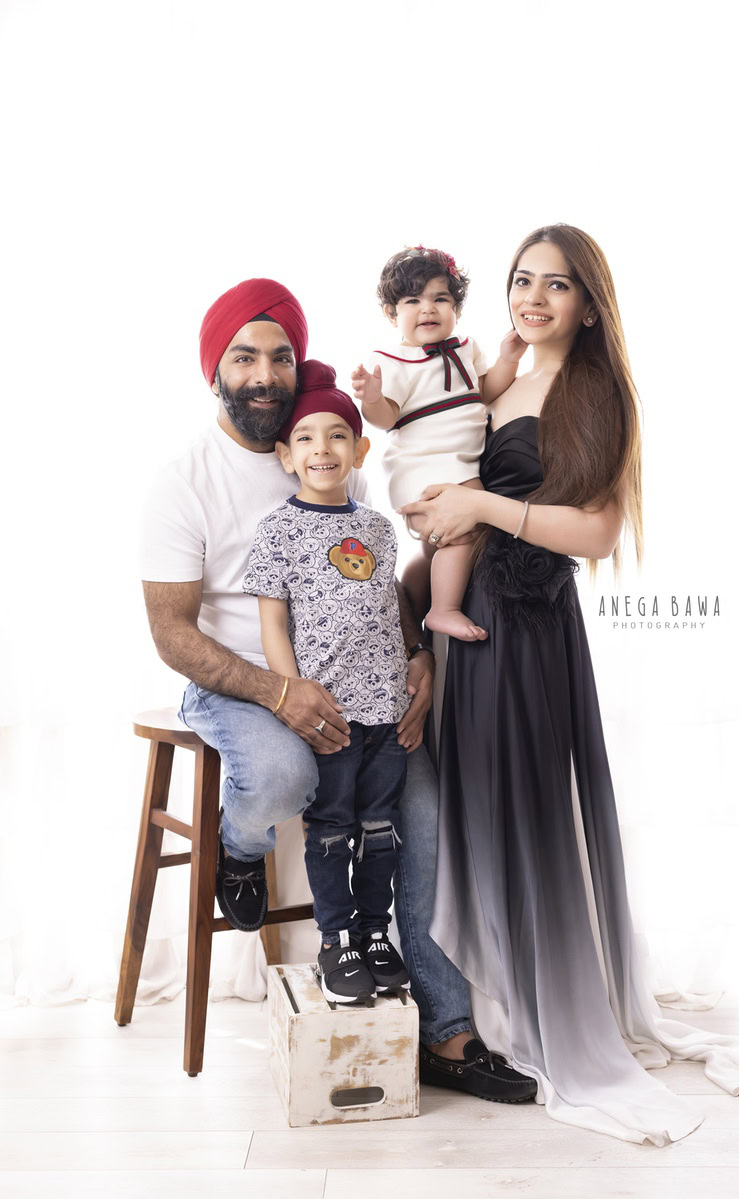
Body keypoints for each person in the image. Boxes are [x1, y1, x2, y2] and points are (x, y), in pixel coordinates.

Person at [401, 225, 739, 1144]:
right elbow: (438, 464)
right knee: (476, 804)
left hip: (525, 626)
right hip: (467, 614)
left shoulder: (595, 390)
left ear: (588, 301)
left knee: (525, 806)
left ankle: (542, 1007)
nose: (534, 298)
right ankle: (488, 1004)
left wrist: (478, 506)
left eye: (557, 285)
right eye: (523, 280)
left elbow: (598, 532)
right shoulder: (495, 377)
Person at [138, 276, 538, 1102]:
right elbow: (173, 632)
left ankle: (445, 1029)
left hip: (360, 688)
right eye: (243, 357)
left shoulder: (327, 454)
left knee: (420, 801)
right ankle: (240, 850)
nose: (264, 374)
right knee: (288, 774)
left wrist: (413, 658)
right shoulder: (184, 480)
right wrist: (279, 694)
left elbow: (369, 576)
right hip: (234, 686)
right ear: (215, 368)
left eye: (279, 356)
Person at [243, 362, 411, 1004]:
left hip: (387, 715)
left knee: (380, 830)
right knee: (333, 830)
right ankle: (336, 939)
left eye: (338, 435)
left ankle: (374, 933)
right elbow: (273, 627)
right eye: (307, 437)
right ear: (286, 455)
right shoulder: (278, 532)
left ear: (359, 449)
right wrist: (294, 704)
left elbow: (389, 609)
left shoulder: (377, 528)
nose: (322, 449)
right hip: (330, 719)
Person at [351, 246, 520, 642]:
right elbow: (386, 418)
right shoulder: (391, 361)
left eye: (439, 298)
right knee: (469, 530)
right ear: (393, 314)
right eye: (413, 300)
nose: (427, 308)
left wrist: (508, 360)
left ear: (456, 310)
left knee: (437, 550)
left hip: (462, 465)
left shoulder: (465, 349)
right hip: (423, 469)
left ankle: (408, 601)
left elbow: (487, 390)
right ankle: (443, 610)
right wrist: (372, 397)